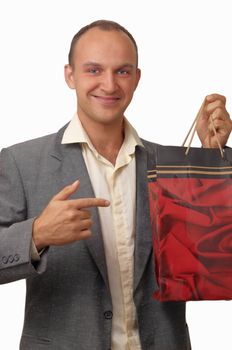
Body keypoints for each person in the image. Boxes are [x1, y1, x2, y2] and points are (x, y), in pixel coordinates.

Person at [0, 20, 231, 350]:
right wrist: (36, 235)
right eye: (94, 70)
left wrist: (212, 161)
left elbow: (211, 258)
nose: (108, 85)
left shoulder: (169, 167)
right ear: (70, 75)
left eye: (122, 71)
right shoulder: (20, 163)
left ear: (137, 78)